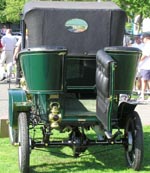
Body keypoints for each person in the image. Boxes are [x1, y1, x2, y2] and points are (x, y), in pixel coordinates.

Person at [138, 32, 150, 101]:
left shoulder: (148, 45)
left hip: (147, 65)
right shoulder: (146, 45)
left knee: (146, 80)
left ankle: (142, 95)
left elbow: (145, 55)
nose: (142, 40)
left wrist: (138, 60)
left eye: (143, 38)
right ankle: (142, 95)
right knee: (144, 80)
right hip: (145, 65)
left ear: (146, 38)